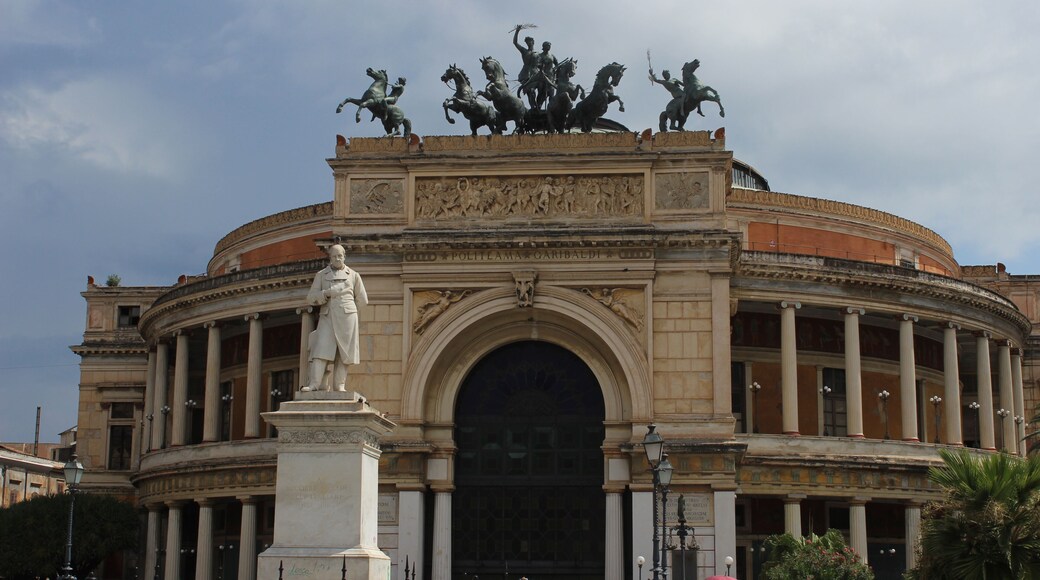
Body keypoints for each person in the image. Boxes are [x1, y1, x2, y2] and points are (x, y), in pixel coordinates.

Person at [301, 244, 368, 392]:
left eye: (340, 256)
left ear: (344, 256)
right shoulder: (321, 275)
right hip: (328, 316)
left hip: (348, 317)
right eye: (334, 256)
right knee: (320, 350)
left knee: (344, 353)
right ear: (329, 258)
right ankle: (314, 384)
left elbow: (363, 300)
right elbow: (310, 298)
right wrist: (326, 294)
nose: (337, 259)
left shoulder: (354, 275)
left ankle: (340, 385)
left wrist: (350, 310)